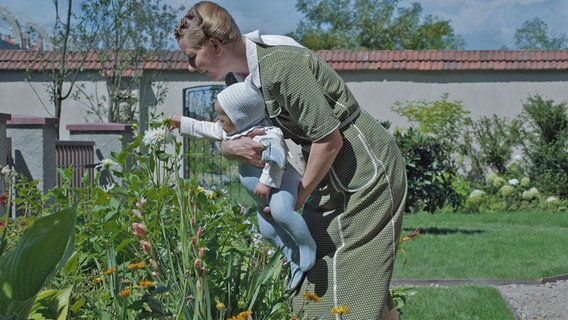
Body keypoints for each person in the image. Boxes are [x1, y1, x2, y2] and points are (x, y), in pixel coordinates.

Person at [174, 2, 408, 319]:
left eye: (192, 56)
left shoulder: (281, 66)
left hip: (364, 166)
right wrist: (231, 149)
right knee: (331, 274)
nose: (190, 67)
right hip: (329, 170)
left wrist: (298, 197)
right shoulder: (240, 79)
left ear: (215, 45)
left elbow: (329, 140)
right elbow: (236, 134)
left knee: (342, 280)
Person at [170, 81, 316, 290]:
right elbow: (205, 128)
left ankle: (307, 246)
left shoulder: (267, 134)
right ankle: (293, 257)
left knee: (282, 213)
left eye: (222, 117)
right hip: (261, 197)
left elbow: (277, 159)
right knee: (268, 231)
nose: (218, 122)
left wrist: (266, 183)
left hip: (281, 185)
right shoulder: (231, 132)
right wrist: (181, 123)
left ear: (240, 118)